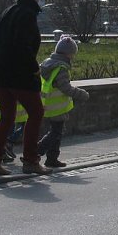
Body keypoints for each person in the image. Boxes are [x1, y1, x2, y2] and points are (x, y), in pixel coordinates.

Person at [0, 0, 51, 176]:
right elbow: (23, 46)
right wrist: (34, 68)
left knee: (7, 117)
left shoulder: (8, 11)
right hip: (18, 73)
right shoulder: (27, 15)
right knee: (36, 112)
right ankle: (30, 160)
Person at [36, 35, 90, 168]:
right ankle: (37, 151)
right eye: (73, 54)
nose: (73, 57)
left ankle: (52, 159)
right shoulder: (61, 68)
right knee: (55, 132)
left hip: (47, 104)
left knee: (56, 132)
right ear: (68, 54)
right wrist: (81, 94)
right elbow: (65, 87)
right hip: (57, 107)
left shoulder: (47, 63)